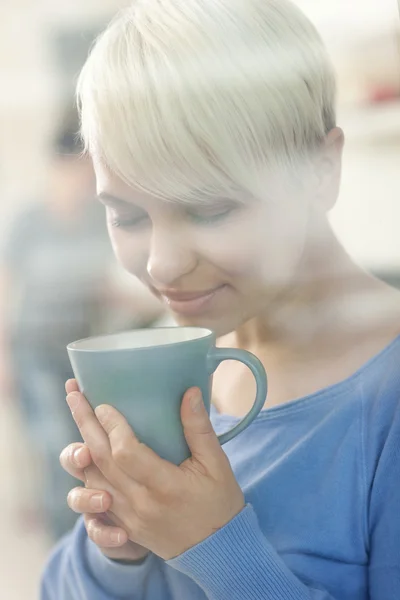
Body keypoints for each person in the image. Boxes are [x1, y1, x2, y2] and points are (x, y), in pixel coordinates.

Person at [41, 1, 400, 598]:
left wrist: (216, 546)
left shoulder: (385, 404)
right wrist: (118, 553)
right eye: (127, 216)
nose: (160, 265)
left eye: (210, 209)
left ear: (320, 168)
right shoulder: (175, 352)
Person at [0, 110, 163, 540]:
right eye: (82, 167)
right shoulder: (28, 222)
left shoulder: (99, 218)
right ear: (61, 163)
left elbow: (107, 285)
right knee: (58, 446)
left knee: (87, 453)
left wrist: (155, 300)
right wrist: (3, 362)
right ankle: (64, 548)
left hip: (84, 351)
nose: (87, 179)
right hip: (34, 350)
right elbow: (4, 294)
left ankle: (89, 542)